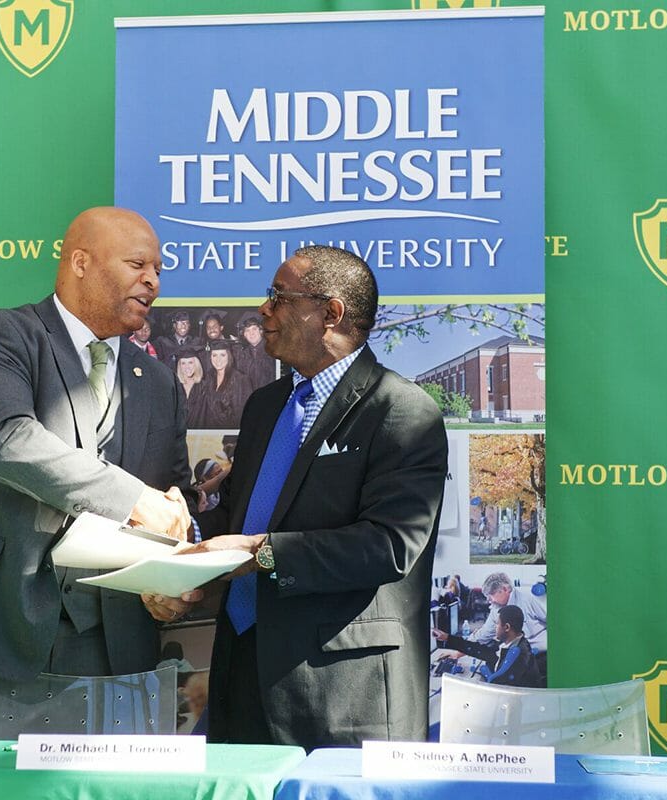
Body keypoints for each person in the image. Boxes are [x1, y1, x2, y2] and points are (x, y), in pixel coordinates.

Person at [143, 245, 448, 749]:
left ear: (331, 313)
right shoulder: (265, 406)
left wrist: (260, 553)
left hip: (340, 693)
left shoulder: (401, 410)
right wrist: (178, 544)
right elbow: (239, 517)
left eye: (279, 297)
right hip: (239, 674)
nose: (263, 309)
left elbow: (390, 546)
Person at [0, 207, 193, 739]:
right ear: (80, 262)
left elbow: (177, 497)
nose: (152, 280)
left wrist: (172, 576)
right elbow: (5, 440)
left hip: (115, 647)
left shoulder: (159, 382)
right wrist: (135, 499)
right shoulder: (0, 335)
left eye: (158, 269)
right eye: (137, 265)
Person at [433, 605, 542, 687]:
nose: (495, 627)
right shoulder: (513, 642)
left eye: (497, 624)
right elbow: (482, 651)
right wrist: (447, 638)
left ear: (507, 627)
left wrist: (483, 671)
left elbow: (495, 684)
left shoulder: (516, 653)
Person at [471, 571, 547, 656]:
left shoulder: (528, 599)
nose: (488, 600)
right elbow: (485, 634)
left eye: (491, 595)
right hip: (517, 651)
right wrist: (463, 647)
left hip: (540, 651)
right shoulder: (496, 607)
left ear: (505, 589)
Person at [199, 338, 251, 429]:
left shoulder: (240, 379)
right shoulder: (209, 377)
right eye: (214, 355)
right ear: (210, 357)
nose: (218, 359)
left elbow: (242, 415)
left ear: (229, 356)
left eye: (222, 355)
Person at [234, 310, 276, 389]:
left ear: (261, 331)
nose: (251, 333)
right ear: (244, 335)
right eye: (247, 330)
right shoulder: (243, 355)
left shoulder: (272, 351)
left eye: (254, 329)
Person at [173, 345, 207, 428]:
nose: (187, 367)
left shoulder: (204, 387)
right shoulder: (174, 387)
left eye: (190, 362)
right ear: (179, 366)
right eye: (183, 363)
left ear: (196, 364)